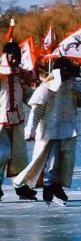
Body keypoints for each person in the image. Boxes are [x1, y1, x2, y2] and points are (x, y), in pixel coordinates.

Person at [14, 57, 81, 204]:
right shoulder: (46, 88)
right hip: (50, 130)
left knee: (66, 162)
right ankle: (47, 189)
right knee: (51, 162)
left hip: (68, 129)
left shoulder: (72, 86)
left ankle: (57, 187)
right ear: (60, 71)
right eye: (66, 69)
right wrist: (31, 131)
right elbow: (36, 111)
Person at [0, 40, 37, 201]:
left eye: (16, 56)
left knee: (19, 156)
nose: (14, 59)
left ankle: (21, 186)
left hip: (18, 121)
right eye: (11, 56)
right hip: (1, 121)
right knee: (2, 154)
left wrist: (38, 102)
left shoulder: (20, 75)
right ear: (5, 55)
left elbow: (27, 95)